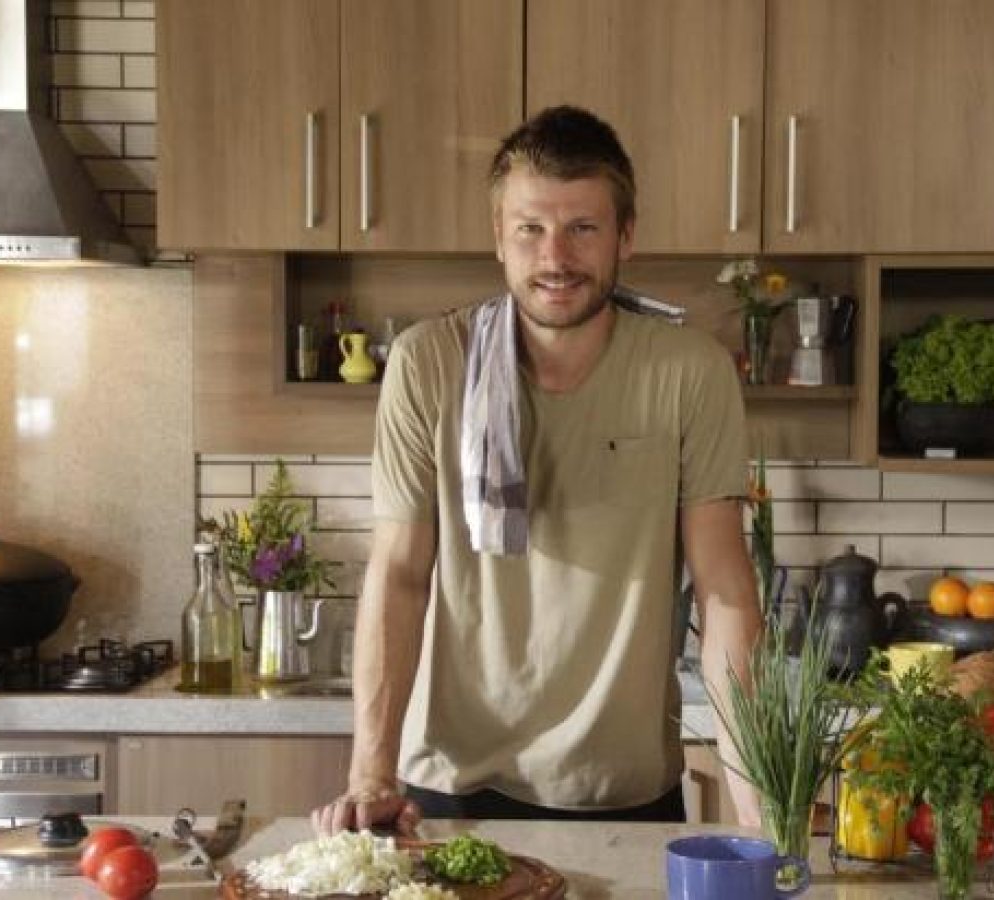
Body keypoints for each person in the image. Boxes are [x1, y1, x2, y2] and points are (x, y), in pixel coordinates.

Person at [312, 105, 762, 836]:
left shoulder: (690, 373)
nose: (555, 257)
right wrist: (371, 773)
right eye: (530, 228)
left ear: (625, 236)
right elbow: (398, 575)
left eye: (582, 227)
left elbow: (726, 594)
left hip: (623, 790)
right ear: (499, 235)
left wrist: (759, 812)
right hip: (450, 785)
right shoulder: (429, 364)